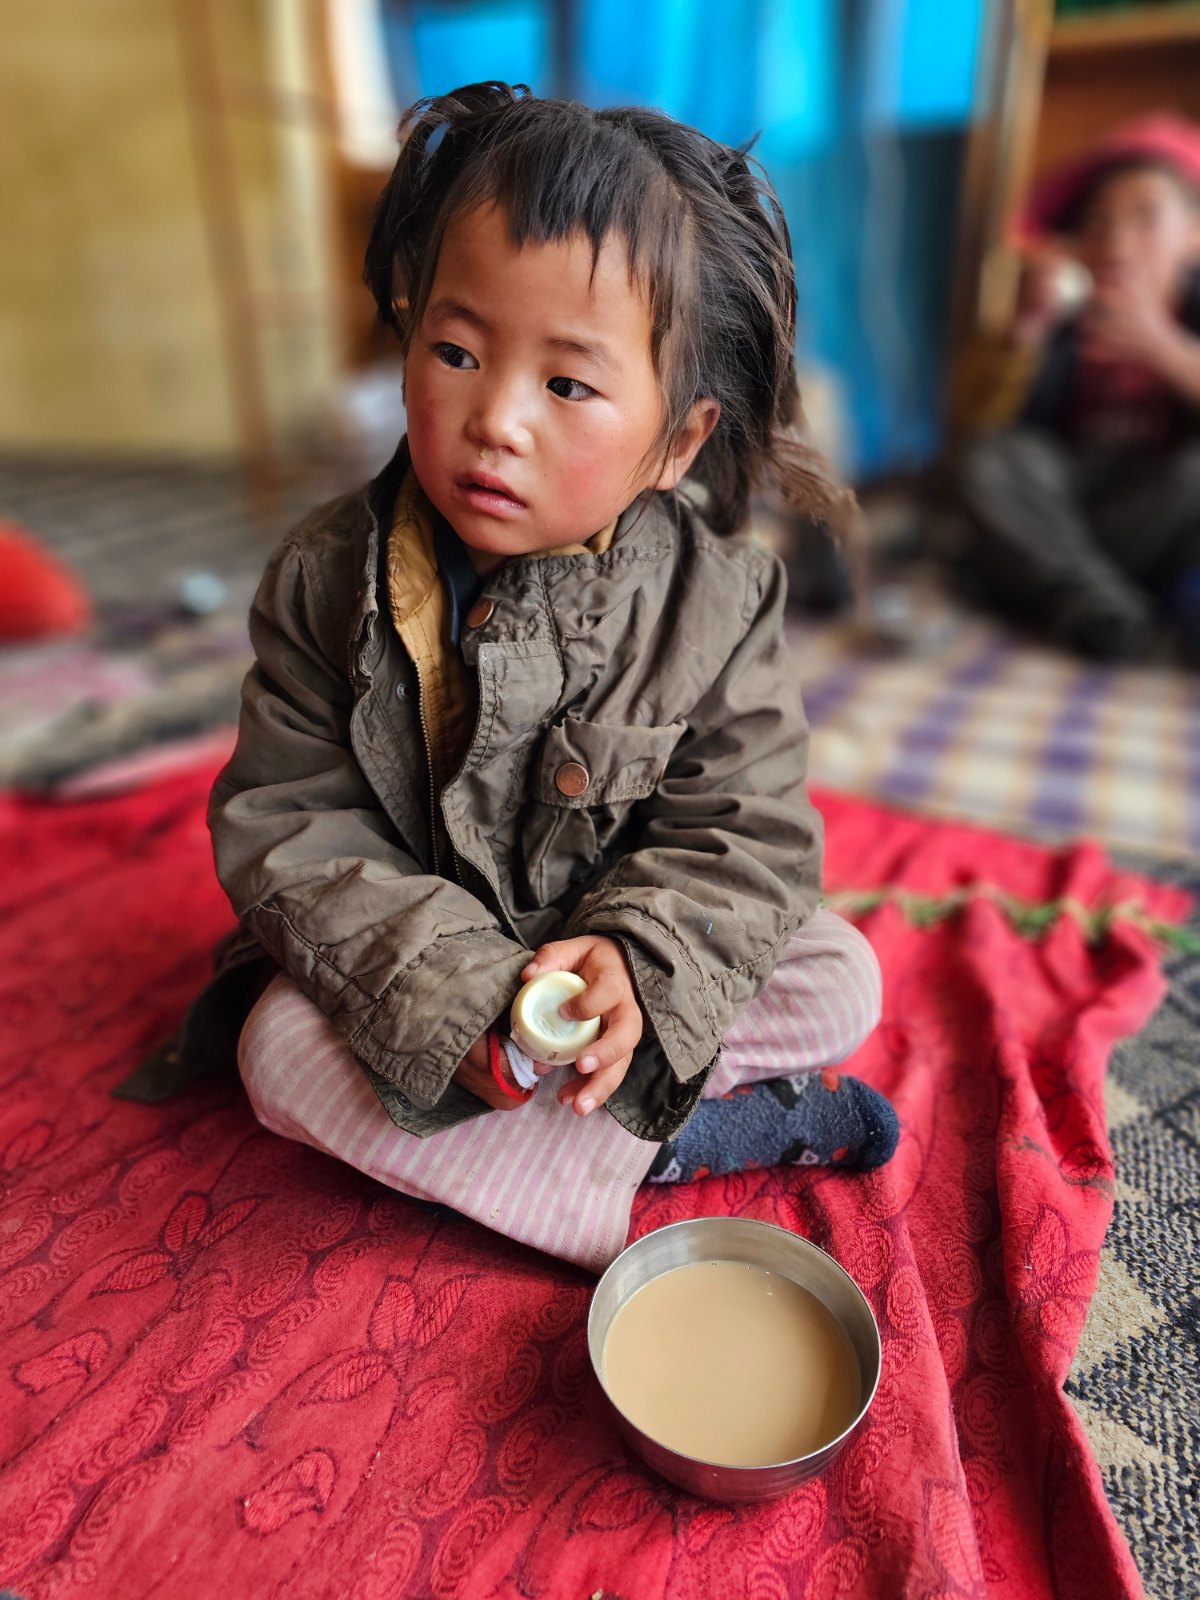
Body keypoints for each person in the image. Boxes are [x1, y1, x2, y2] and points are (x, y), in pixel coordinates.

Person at [200, 82, 895, 1272]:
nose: (497, 419)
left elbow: (748, 832)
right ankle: (677, 1144)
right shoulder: (326, 578)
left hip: (612, 962)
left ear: (678, 441)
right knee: (272, 1051)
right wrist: (461, 993)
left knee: (842, 978)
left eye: (567, 385)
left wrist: (640, 960)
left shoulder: (719, 604)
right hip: (424, 974)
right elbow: (292, 826)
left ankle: (559, 1150)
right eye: (457, 351)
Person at [958, 114, 1200, 662]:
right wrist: (1026, 333)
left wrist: (1161, 344)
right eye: (1097, 222)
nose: (1116, 242)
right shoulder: (1058, 321)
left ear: (1194, 236)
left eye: (1145, 218)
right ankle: (1107, 604)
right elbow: (977, 426)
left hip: (1153, 520)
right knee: (999, 459)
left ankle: (1087, 597)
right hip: (1066, 513)